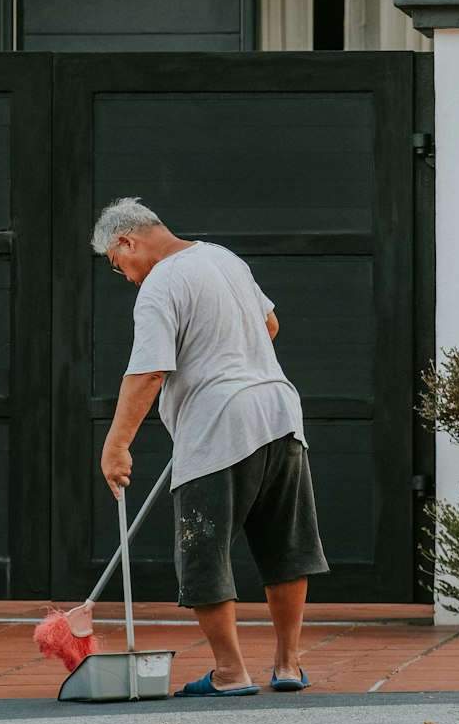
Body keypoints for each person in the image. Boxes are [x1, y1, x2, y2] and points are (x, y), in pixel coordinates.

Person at [90, 197, 329, 696]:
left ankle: (229, 672)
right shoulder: (223, 258)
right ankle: (287, 666)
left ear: (127, 241)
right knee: (284, 546)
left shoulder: (160, 284)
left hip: (218, 423)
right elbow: (270, 325)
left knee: (203, 551)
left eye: (119, 266)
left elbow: (150, 369)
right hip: (280, 412)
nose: (128, 277)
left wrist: (116, 445)